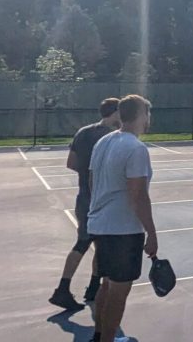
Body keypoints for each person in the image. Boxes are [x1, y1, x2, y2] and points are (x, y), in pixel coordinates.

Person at [87, 95, 158, 342]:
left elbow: (92, 181)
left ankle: (99, 335)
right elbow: (138, 196)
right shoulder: (136, 148)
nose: (149, 119)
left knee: (106, 285)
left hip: (99, 225)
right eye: (147, 114)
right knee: (119, 292)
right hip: (122, 231)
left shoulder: (103, 142)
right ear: (140, 116)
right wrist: (152, 232)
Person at [47, 98, 120, 311]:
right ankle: (64, 289)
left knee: (91, 242)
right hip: (102, 199)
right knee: (90, 244)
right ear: (115, 112)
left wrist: (86, 173)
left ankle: (92, 287)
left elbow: (71, 163)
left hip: (84, 197)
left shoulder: (83, 132)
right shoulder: (111, 137)